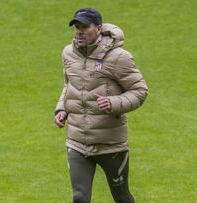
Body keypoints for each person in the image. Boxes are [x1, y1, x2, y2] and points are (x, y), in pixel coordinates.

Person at [54, 8, 148, 203]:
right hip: (77, 142)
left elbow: (140, 91)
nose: (79, 31)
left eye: (84, 27)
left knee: (121, 196)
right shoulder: (68, 53)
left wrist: (114, 103)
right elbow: (69, 85)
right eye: (76, 27)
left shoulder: (118, 57)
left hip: (110, 144)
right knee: (79, 198)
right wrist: (62, 108)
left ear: (98, 28)